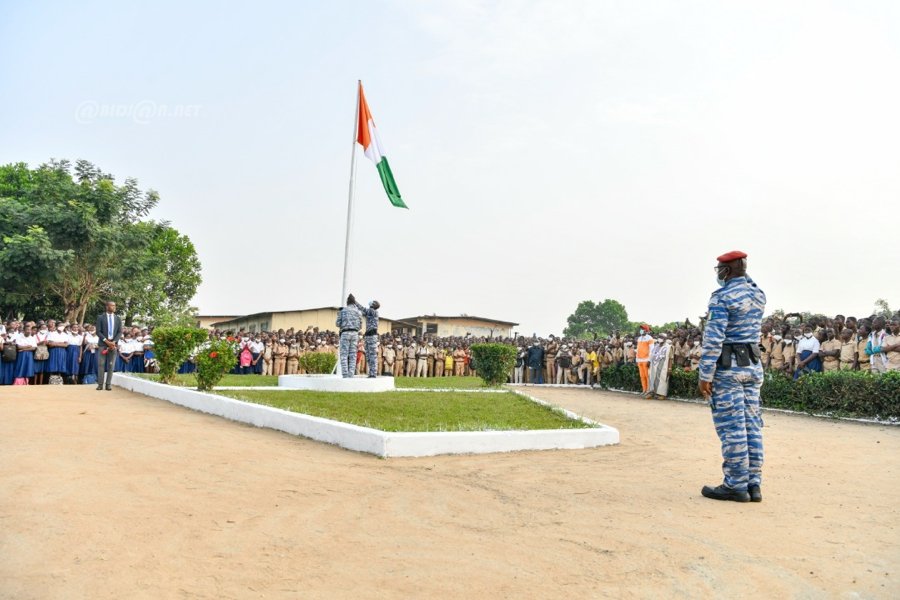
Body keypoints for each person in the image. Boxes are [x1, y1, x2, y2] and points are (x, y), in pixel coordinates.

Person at [698, 250, 766, 503]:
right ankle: (753, 484)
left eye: (719, 269)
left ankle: (735, 485)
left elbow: (713, 338)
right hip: (752, 365)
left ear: (726, 270)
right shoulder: (758, 294)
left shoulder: (722, 297)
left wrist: (705, 374)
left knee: (733, 428)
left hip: (729, 368)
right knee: (752, 426)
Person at [96, 301, 122, 390]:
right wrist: (107, 341)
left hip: (113, 345)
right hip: (103, 344)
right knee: (101, 364)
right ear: (107, 307)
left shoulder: (118, 318)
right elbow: (98, 331)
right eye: (112, 305)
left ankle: (108, 384)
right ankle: (100, 384)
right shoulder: (100, 317)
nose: (114, 307)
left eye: (115, 305)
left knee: (111, 365)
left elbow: (120, 332)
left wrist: (114, 342)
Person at [336, 295, 362, 378]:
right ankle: (351, 374)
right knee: (353, 354)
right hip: (355, 334)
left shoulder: (343, 311)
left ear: (347, 302)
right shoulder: (358, 312)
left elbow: (337, 324)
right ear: (354, 302)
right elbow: (361, 326)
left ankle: (345, 374)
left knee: (344, 354)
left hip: (345, 333)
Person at [354, 299, 381, 378]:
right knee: (368, 356)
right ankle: (371, 373)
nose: (371, 302)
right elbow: (362, 312)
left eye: (373, 302)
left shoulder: (373, 311)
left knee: (372, 355)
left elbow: (362, 309)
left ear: (373, 305)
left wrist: (355, 302)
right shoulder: (370, 312)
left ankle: (373, 373)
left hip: (372, 336)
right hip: (368, 336)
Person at [636, 325, 653, 394]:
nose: (641, 330)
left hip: (646, 360)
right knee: (642, 376)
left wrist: (649, 360)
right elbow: (637, 349)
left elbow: (652, 350)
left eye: (642, 329)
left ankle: (648, 390)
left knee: (647, 376)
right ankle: (644, 390)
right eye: (640, 329)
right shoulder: (639, 338)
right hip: (639, 360)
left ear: (646, 330)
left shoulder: (650, 338)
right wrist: (637, 359)